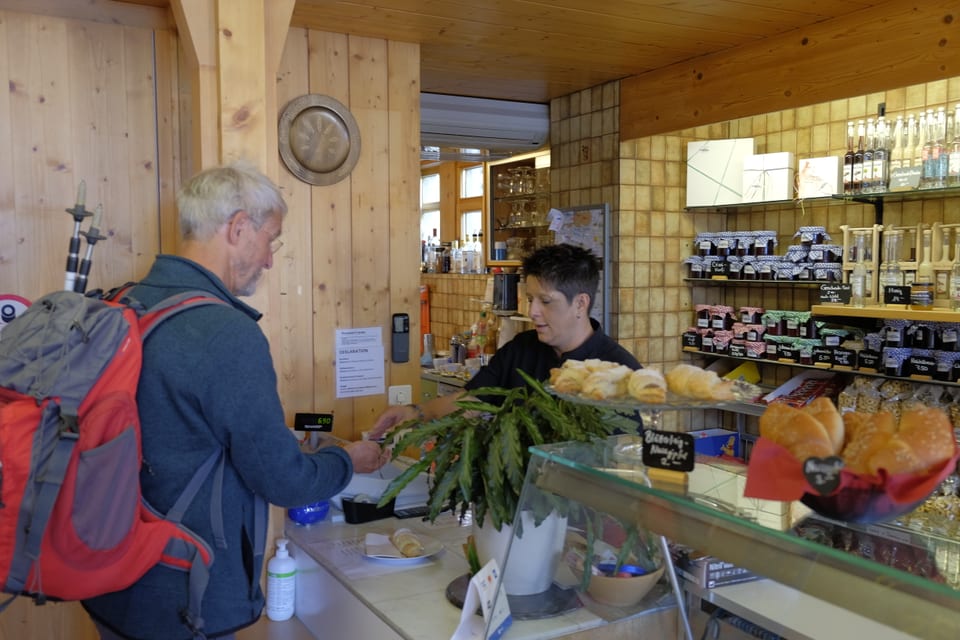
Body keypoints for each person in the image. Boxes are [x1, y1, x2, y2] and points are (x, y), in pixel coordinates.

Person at [82, 162, 385, 640]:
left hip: (111, 575)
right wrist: (348, 460)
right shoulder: (223, 331)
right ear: (238, 227)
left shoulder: (125, 302)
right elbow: (284, 481)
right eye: (271, 239)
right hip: (185, 594)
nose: (268, 260)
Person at [369, 243, 641, 439]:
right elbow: (472, 401)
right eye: (531, 298)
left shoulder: (620, 371)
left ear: (581, 303)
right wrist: (417, 413)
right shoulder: (521, 348)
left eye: (545, 301)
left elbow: (623, 455)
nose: (533, 311)